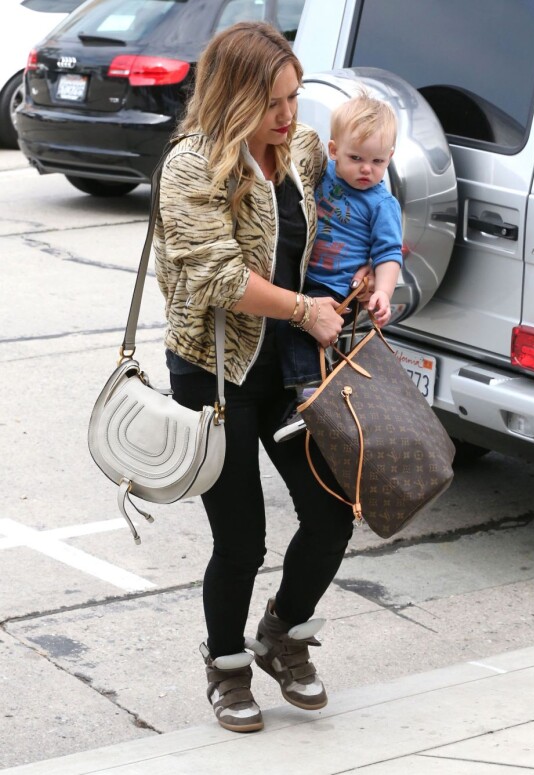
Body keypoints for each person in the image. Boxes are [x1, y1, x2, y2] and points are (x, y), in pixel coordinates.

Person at [154, 21, 366, 734]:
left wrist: (367, 272)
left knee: (333, 513)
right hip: (214, 374)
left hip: (290, 370)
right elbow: (218, 275)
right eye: (275, 100)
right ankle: (225, 665)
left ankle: (283, 635)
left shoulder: (301, 150)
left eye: (296, 96)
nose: (289, 114)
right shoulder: (190, 165)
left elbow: (350, 217)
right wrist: (306, 308)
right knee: (242, 539)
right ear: (235, 95)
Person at [273, 93, 403, 443]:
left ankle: (310, 397)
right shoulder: (322, 174)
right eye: (356, 158)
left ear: (390, 158)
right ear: (333, 151)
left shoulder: (382, 204)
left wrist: (383, 292)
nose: (366, 169)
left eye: (377, 161)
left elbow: (390, 252)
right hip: (300, 272)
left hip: (334, 287)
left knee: (297, 326)